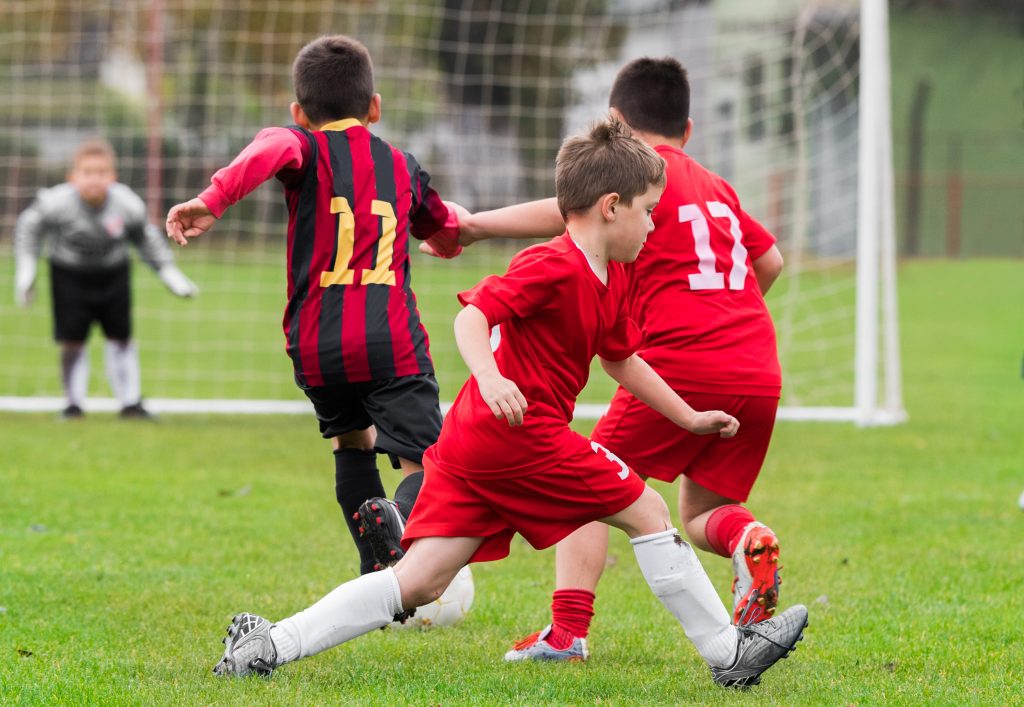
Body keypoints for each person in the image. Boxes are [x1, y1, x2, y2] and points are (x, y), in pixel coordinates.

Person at [210, 119, 807, 689]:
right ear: (611, 207)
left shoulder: (616, 274)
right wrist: (493, 377)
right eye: (649, 212)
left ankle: (269, 645)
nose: (654, 226)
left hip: (475, 442)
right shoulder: (552, 263)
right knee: (648, 510)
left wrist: (689, 416)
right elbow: (473, 316)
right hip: (518, 433)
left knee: (418, 580)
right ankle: (728, 653)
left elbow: (621, 359)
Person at [450, 57, 789, 662]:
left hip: (679, 359)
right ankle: (749, 538)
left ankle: (567, 633)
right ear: (688, 129)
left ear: (616, 124)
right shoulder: (718, 186)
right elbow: (772, 263)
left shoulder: (642, 182)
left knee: (588, 482)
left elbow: (567, 212)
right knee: (703, 511)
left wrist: (474, 227)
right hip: (759, 366)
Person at [165, 35, 462, 579]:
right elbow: (444, 229)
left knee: (353, 442)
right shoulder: (403, 167)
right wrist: (445, 240)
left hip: (316, 346)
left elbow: (271, 148)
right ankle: (395, 520)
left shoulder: (300, 145)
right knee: (435, 463)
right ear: (375, 107)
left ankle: (376, 566)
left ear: (299, 112)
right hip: (389, 340)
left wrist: (213, 199)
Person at [13, 138, 198, 419]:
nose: (94, 179)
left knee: (121, 338)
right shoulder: (55, 202)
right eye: (87, 172)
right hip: (69, 277)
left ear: (112, 177)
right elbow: (29, 228)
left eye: (101, 173)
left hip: (113, 276)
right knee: (72, 340)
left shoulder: (127, 204)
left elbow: (146, 239)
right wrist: (26, 270)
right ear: (73, 177)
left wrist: (168, 272)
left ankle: (130, 402)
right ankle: (73, 404)